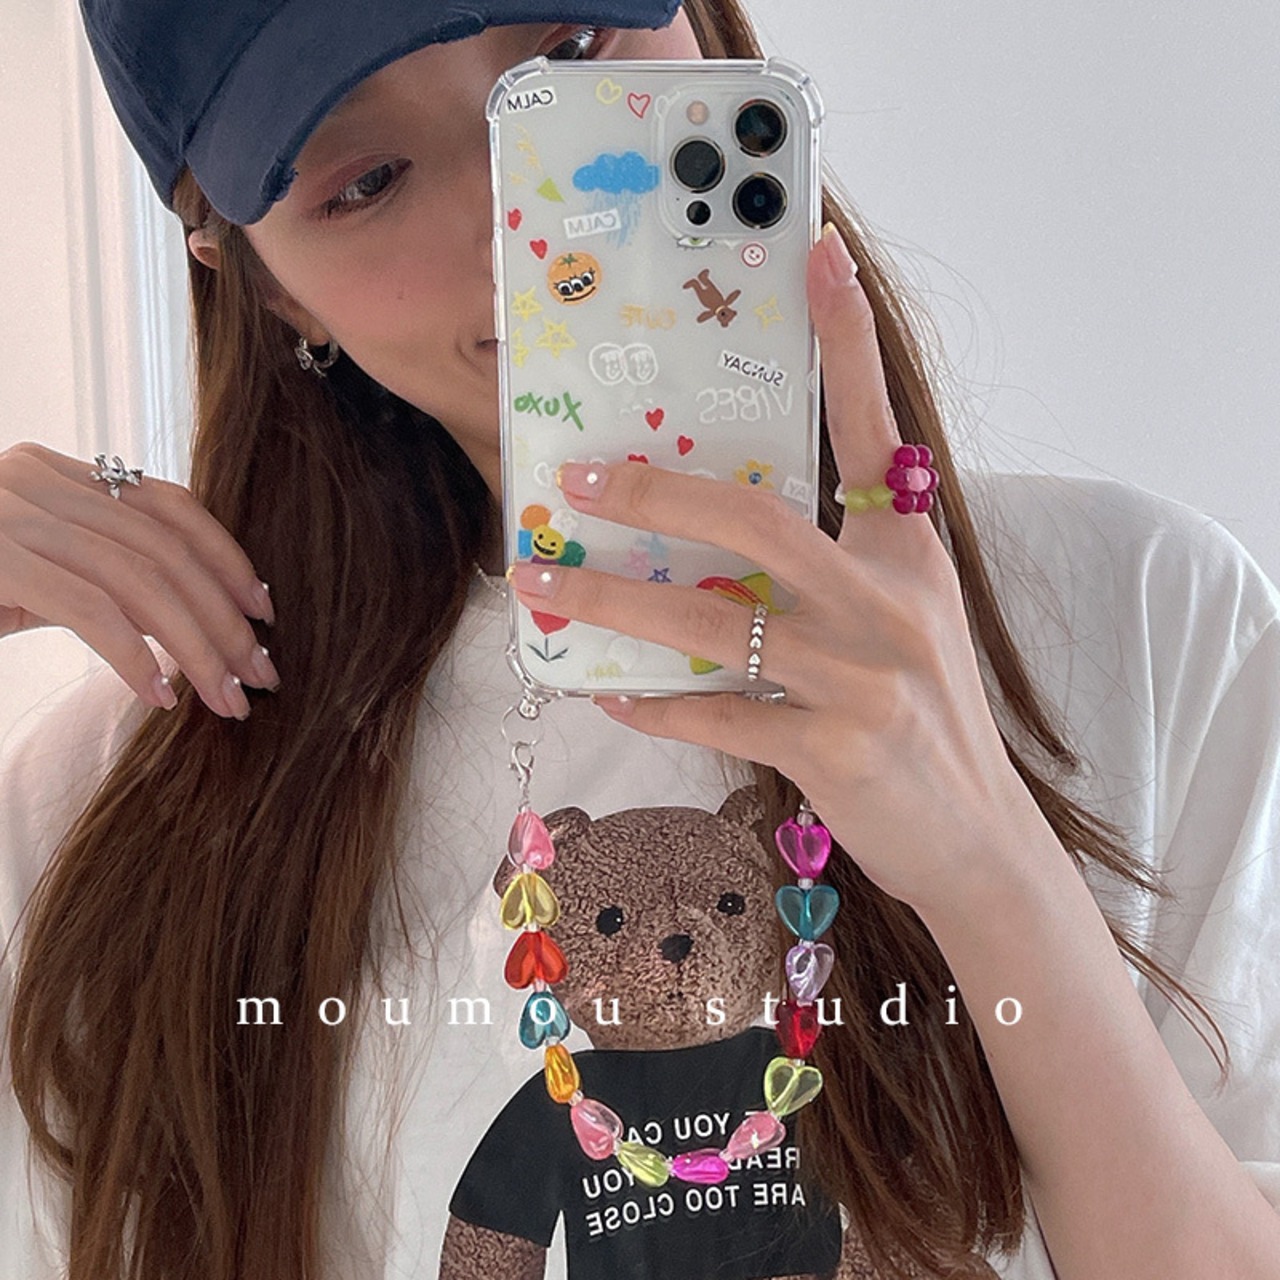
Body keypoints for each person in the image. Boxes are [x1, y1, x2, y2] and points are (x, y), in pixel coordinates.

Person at [1, 1, 1278, 1277]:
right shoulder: (122, 804)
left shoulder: (1142, 612)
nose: (527, 216)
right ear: (268, 283)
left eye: (570, 55)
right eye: (369, 180)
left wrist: (989, 861)